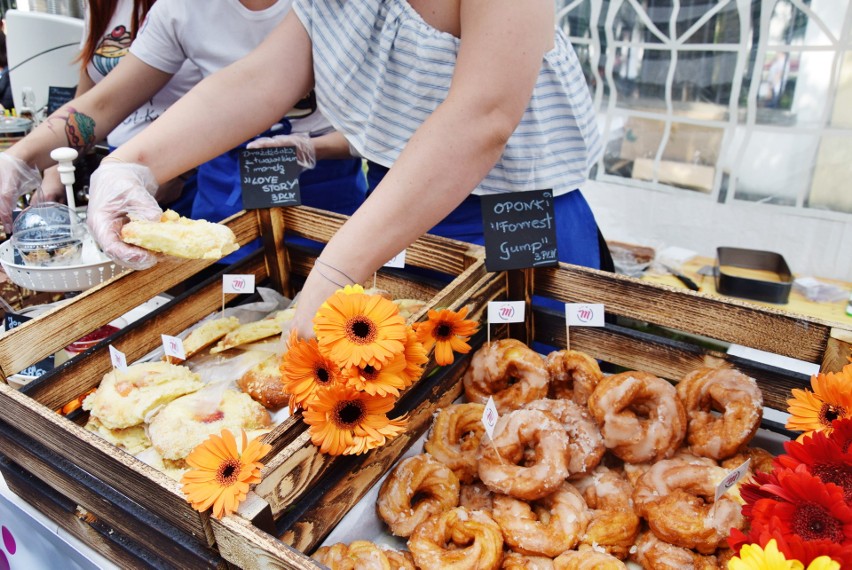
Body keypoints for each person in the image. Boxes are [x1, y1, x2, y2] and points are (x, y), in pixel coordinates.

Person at [87, 0, 604, 338]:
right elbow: (262, 78)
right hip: (393, 221)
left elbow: (482, 117)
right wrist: (133, 165)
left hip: (516, 220)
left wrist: (336, 269)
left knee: (524, 421)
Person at [0, 0, 366, 242]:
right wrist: (19, 157)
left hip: (325, 182)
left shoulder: (339, 6)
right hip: (225, 185)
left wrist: (319, 147)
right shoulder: (180, 9)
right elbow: (104, 102)